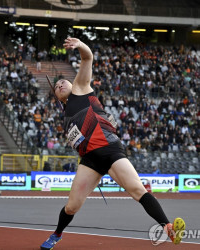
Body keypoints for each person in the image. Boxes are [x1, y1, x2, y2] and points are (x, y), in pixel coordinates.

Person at [40, 38, 185, 250]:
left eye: (64, 81)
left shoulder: (81, 88)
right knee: (71, 207)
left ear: (73, 83)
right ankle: (57, 234)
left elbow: (88, 57)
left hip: (111, 150)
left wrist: (80, 45)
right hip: (90, 160)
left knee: (137, 190)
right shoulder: (66, 117)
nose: (60, 83)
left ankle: (167, 226)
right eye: (57, 85)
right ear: (57, 96)